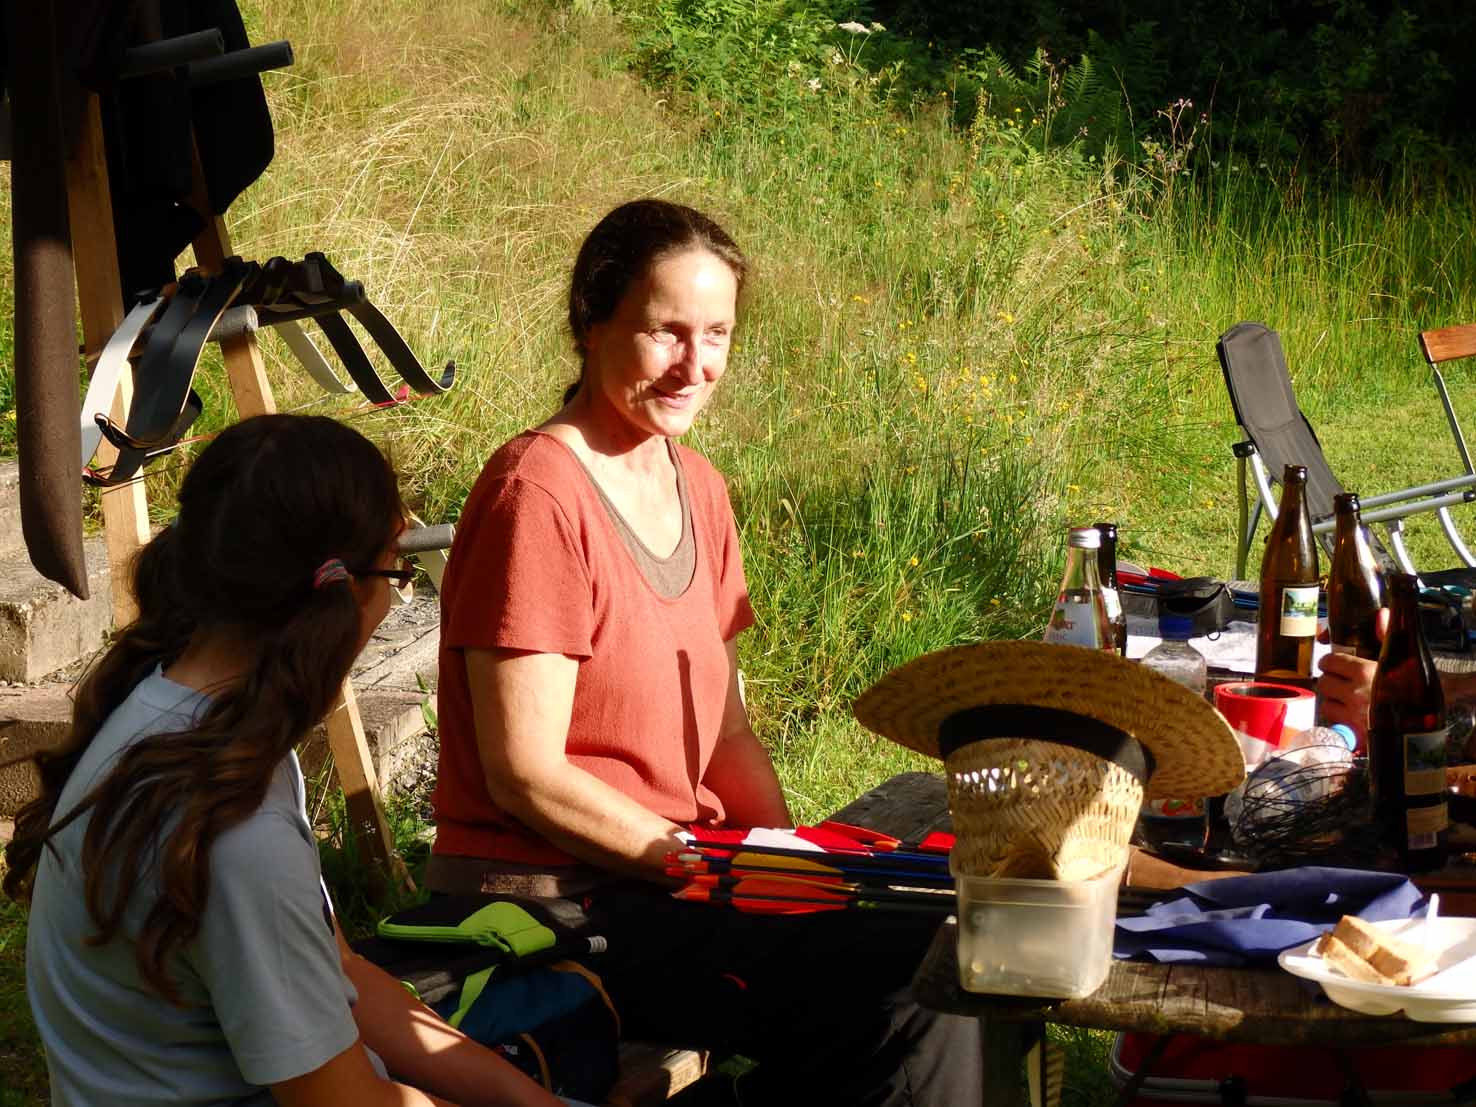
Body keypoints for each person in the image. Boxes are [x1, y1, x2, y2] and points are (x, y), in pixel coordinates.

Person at [429, 199, 985, 1105]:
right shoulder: (538, 495)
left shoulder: (699, 485)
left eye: (716, 334)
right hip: (551, 903)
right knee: (908, 984)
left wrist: (798, 867)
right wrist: (696, 862)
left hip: (669, 882)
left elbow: (726, 735)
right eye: (666, 332)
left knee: (950, 938)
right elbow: (524, 773)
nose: (696, 366)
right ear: (592, 321)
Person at [4, 415, 569, 1107]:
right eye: (395, 574)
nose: (390, 602)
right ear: (344, 591)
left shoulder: (181, 720)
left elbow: (342, 973)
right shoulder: (238, 832)